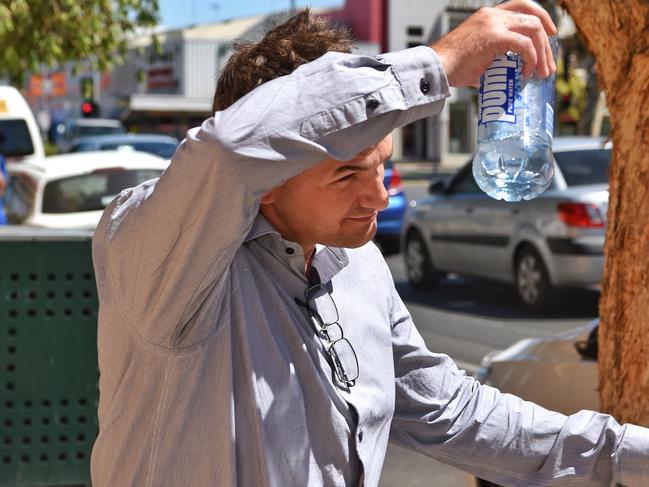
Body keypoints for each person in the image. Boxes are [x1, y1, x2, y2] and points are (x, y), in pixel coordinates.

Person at [90, 2, 649, 486]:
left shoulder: (357, 264)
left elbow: (455, 414)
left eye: (383, 166)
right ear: (266, 182)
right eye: (347, 175)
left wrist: (628, 454)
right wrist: (441, 62)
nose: (379, 198)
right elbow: (231, 149)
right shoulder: (160, 254)